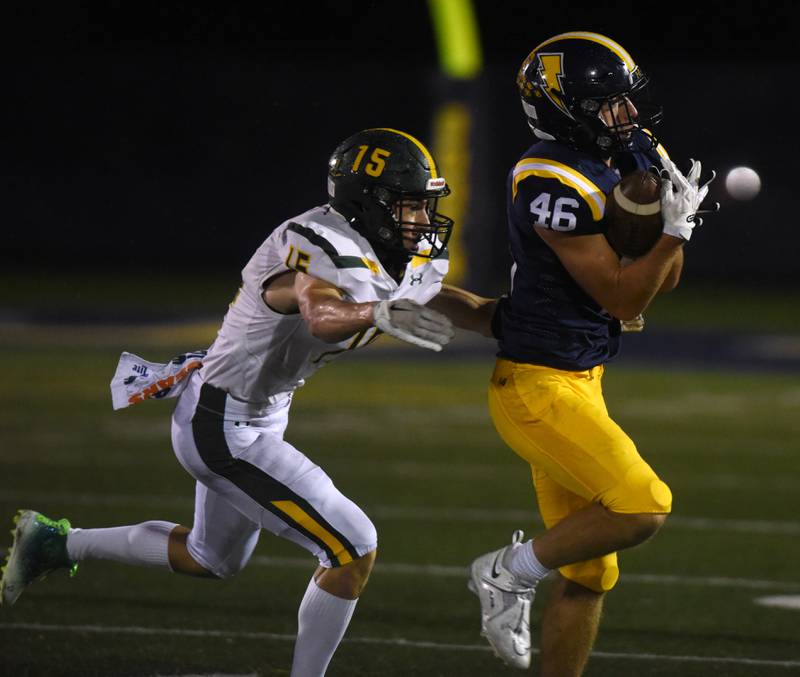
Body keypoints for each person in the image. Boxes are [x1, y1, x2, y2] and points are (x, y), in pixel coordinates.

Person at [0, 127, 481, 676]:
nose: (421, 218)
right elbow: (320, 314)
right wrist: (376, 314)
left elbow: (439, 298)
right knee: (353, 547)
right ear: (366, 204)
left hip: (249, 412)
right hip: (222, 425)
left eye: (424, 204)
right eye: (409, 204)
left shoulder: (386, 250)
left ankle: (55, 545)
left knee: (211, 558)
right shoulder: (319, 244)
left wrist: (511, 322)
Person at [465, 32, 717, 675]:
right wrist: (669, 233)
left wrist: (667, 234)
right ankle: (504, 572)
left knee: (589, 572)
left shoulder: (630, 148)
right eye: (609, 105)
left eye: (627, 102)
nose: (626, 117)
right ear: (562, 109)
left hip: (582, 378)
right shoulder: (548, 179)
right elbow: (623, 297)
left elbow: (666, 282)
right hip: (534, 387)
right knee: (641, 504)